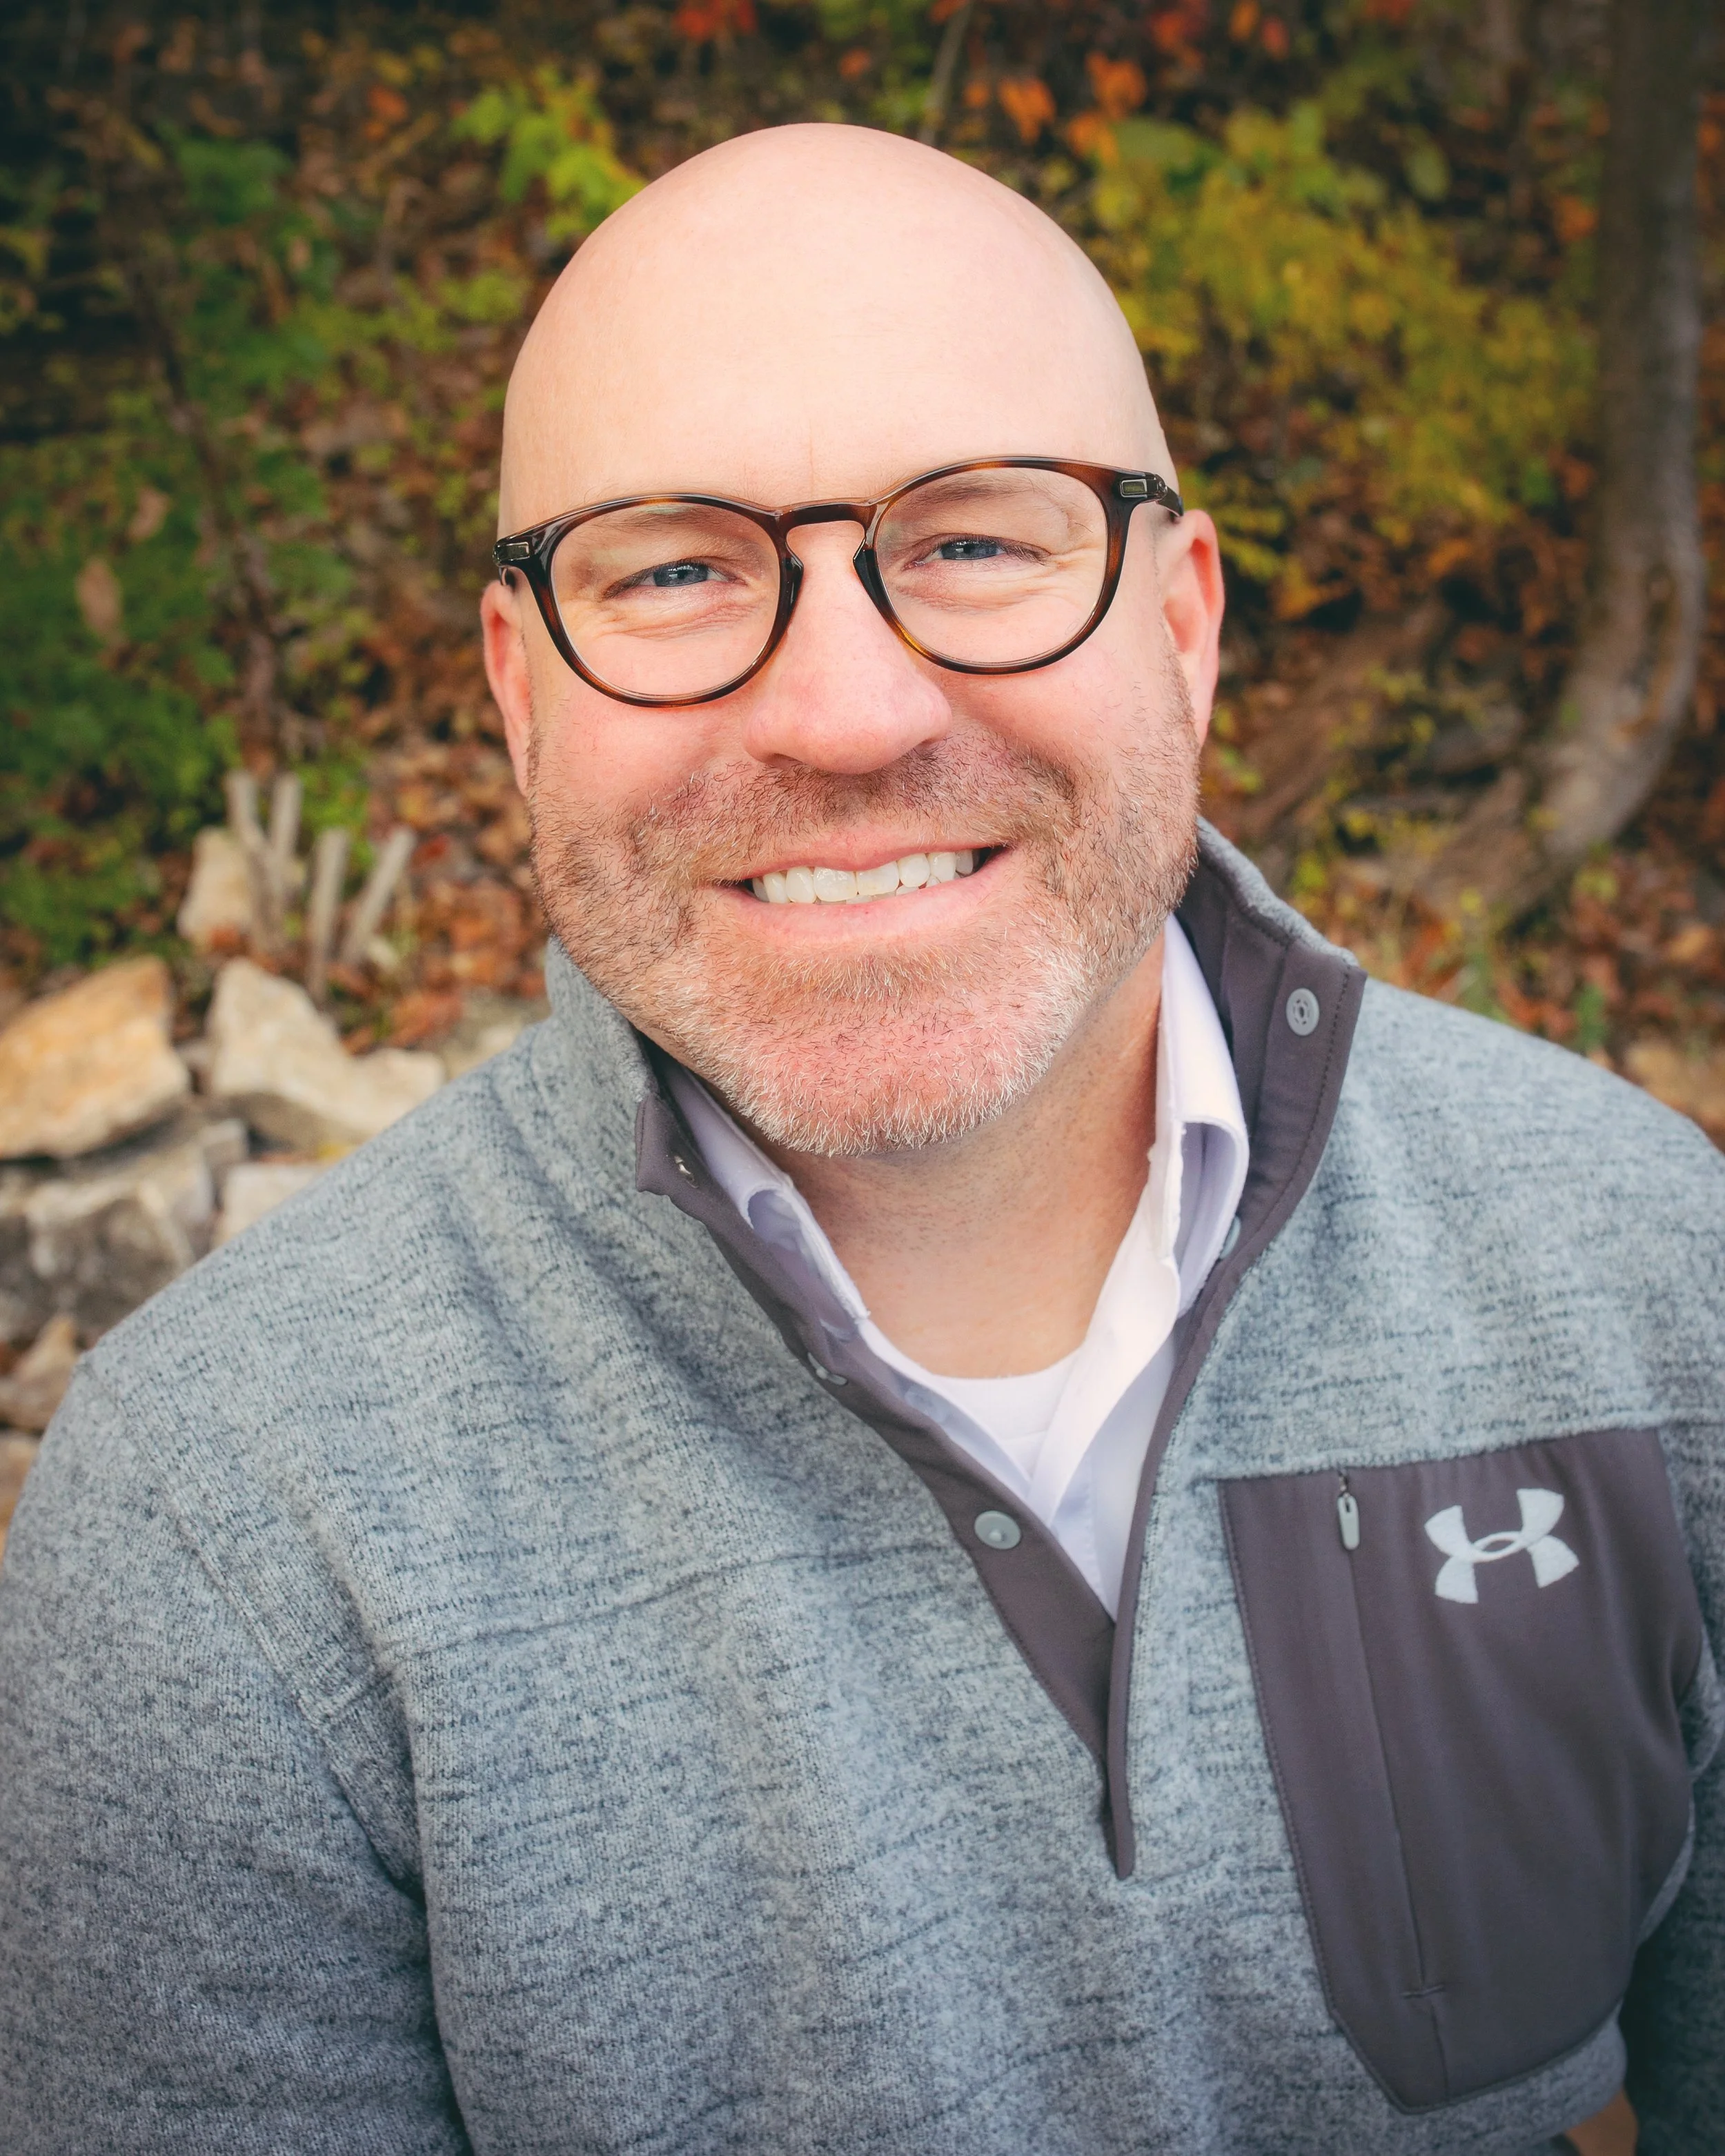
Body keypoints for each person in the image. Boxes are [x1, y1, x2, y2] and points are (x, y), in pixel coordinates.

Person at [0, 124, 1718, 2156]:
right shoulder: (220, 1528)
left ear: (1181, 626)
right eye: (669, 569)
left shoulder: (1653, 1280)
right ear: (519, 693)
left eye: (976, 539)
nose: (844, 713)